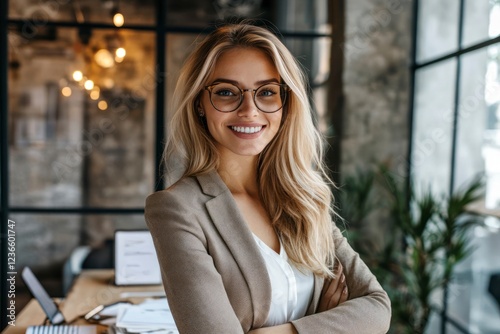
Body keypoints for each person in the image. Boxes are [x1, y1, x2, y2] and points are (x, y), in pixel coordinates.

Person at [145, 22, 391, 333]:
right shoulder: (177, 209)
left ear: (285, 103)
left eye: (267, 92)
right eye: (225, 92)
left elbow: (377, 308)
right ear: (199, 104)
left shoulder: (303, 197)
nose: (249, 109)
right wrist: (325, 323)